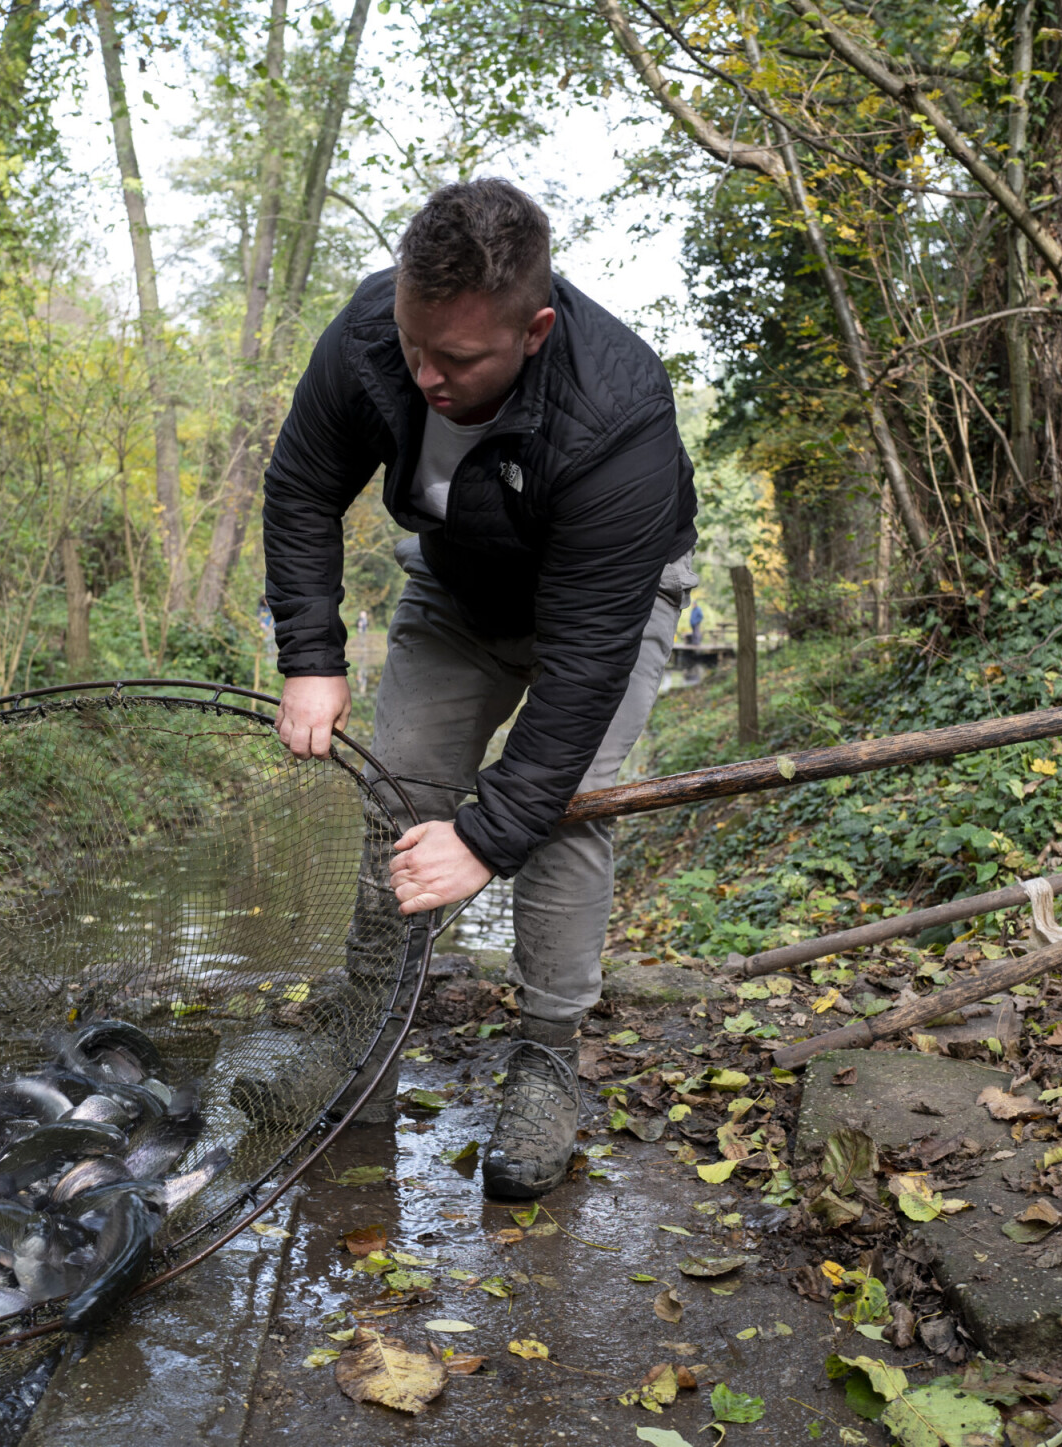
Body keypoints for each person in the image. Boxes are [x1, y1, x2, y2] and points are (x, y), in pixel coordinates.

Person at [258, 178, 698, 1199]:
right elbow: (301, 486)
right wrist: (311, 656)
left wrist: (489, 836)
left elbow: (585, 665)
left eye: (454, 361)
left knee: (564, 809)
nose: (425, 375)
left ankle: (545, 1063)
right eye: (414, 346)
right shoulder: (373, 329)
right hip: (456, 587)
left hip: (602, 608)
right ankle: (363, 1041)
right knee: (399, 787)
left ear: (534, 330)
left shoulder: (617, 411)